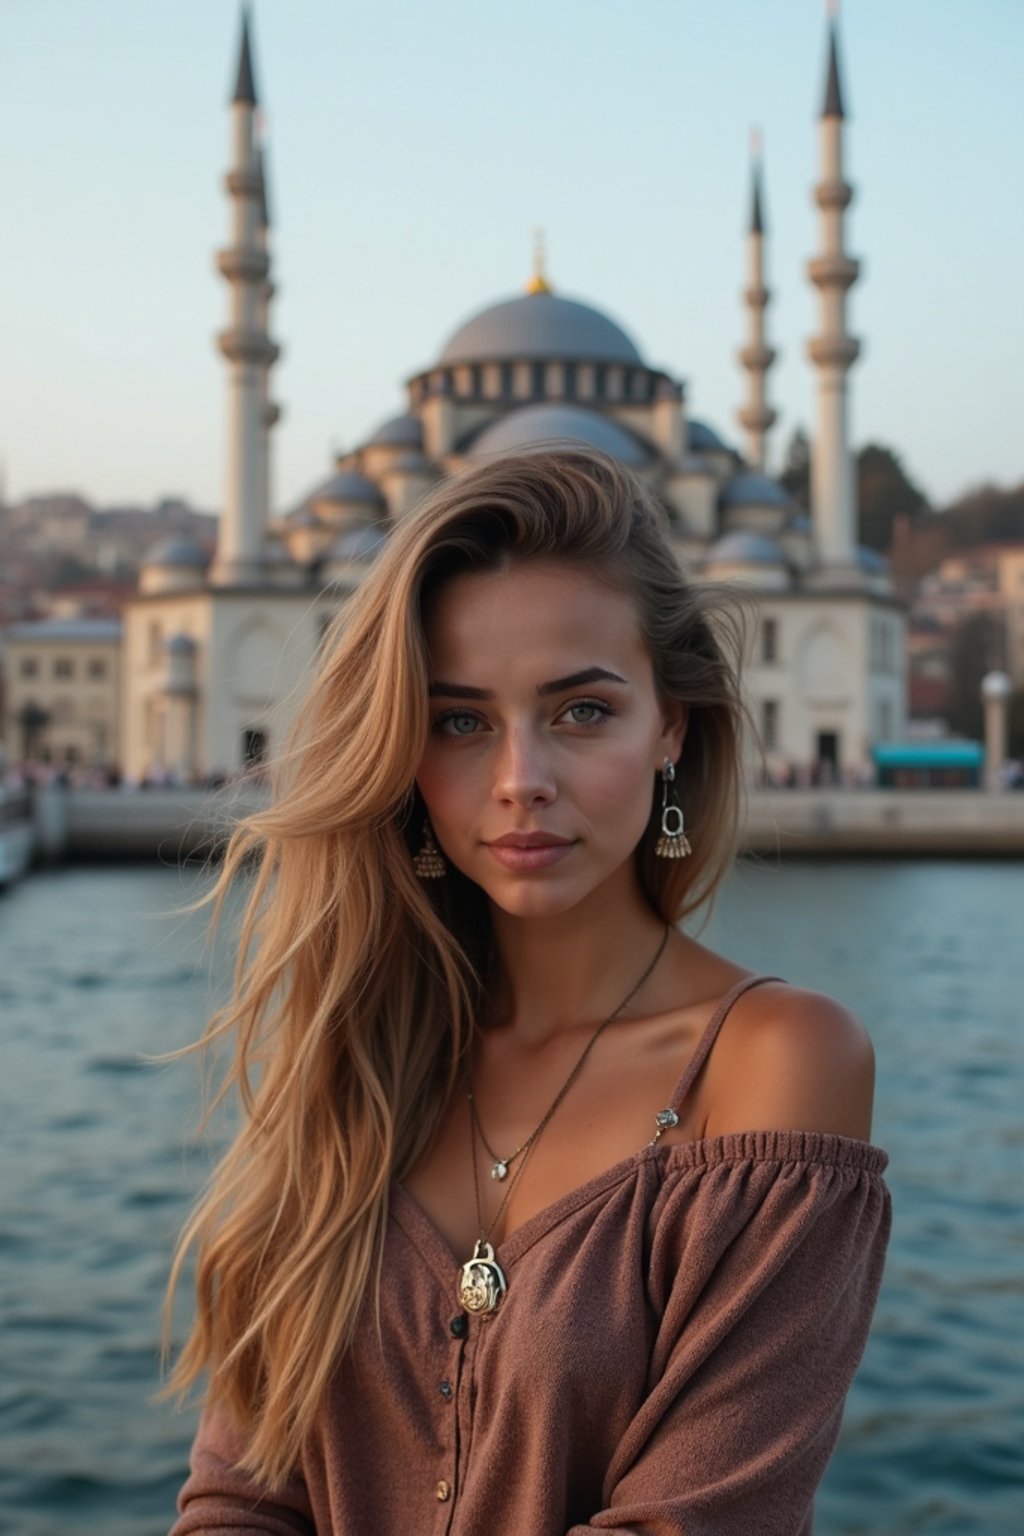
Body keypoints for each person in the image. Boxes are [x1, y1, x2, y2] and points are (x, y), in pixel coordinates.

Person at [167, 448, 890, 1535]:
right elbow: (240, 1493)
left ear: (671, 725)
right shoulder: (361, 1051)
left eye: (583, 711)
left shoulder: (774, 1063)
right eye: (460, 721)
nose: (520, 780)